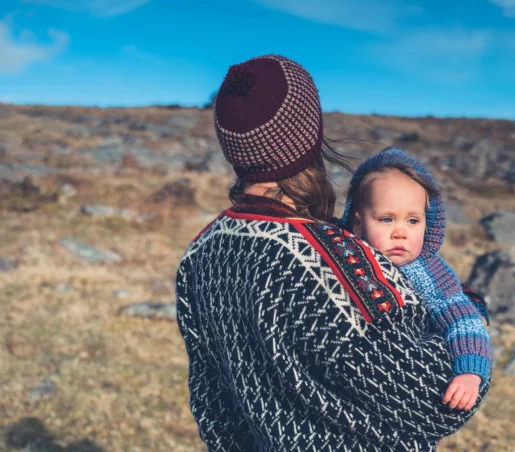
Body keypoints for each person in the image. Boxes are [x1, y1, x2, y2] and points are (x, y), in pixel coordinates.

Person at [174, 54, 490, 452]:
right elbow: (433, 398)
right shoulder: (334, 263)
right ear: (308, 136)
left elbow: (212, 406)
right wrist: (465, 311)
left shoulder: (200, 256)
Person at [337, 147, 493, 412]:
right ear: (358, 222)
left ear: (427, 223)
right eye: (386, 219)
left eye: (412, 221)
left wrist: (470, 373)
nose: (400, 232)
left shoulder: (426, 271)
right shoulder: (341, 250)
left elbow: (462, 318)